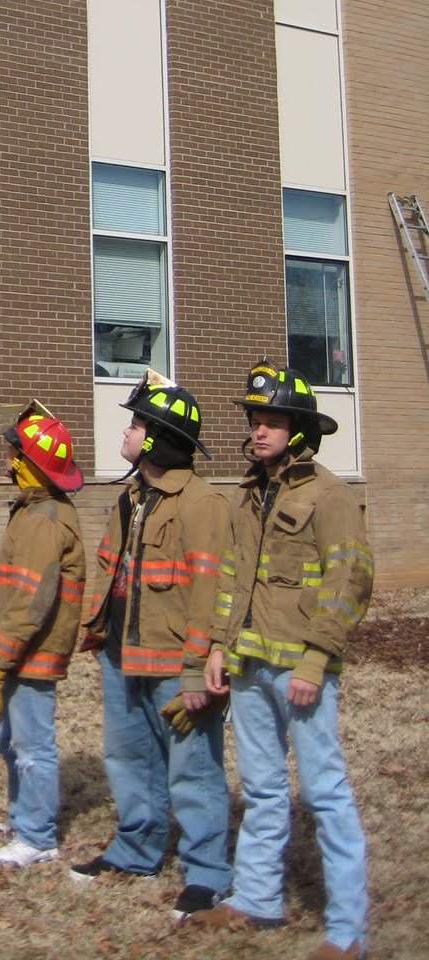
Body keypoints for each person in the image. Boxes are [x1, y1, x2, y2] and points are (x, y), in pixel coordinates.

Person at [188, 361, 373, 960]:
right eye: (255, 420)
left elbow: (351, 579)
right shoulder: (247, 497)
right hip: (248, 666)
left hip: (301, 672)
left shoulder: (330, 495)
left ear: (299, 430)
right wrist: (218, 645)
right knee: (263, 789)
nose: (259, 431)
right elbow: (231, 581)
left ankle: (347, 933)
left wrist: (317, 659)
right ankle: (256, 899)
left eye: (272, 421)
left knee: (325, 793)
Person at [71, 377, 232, 920]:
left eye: (137, 424)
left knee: (195, 769)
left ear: (160, 438)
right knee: (128, 758)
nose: (127, 430)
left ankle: (208, 874)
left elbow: (210, 594)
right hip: (122, 654)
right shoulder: (130, 497)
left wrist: (196, 669)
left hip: (174, 663)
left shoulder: (203, 505)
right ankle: (135, 850)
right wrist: (98, 631)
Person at [0, 407, 86, 869]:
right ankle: (24, 818)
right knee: (11, 741)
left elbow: (31, 604)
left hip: (31, 654)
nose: (5, 462)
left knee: (32, 745)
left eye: (11, 455)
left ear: (29, 463)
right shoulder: (32, 509)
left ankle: (38, 837)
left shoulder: (45, 520)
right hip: (18, 652)